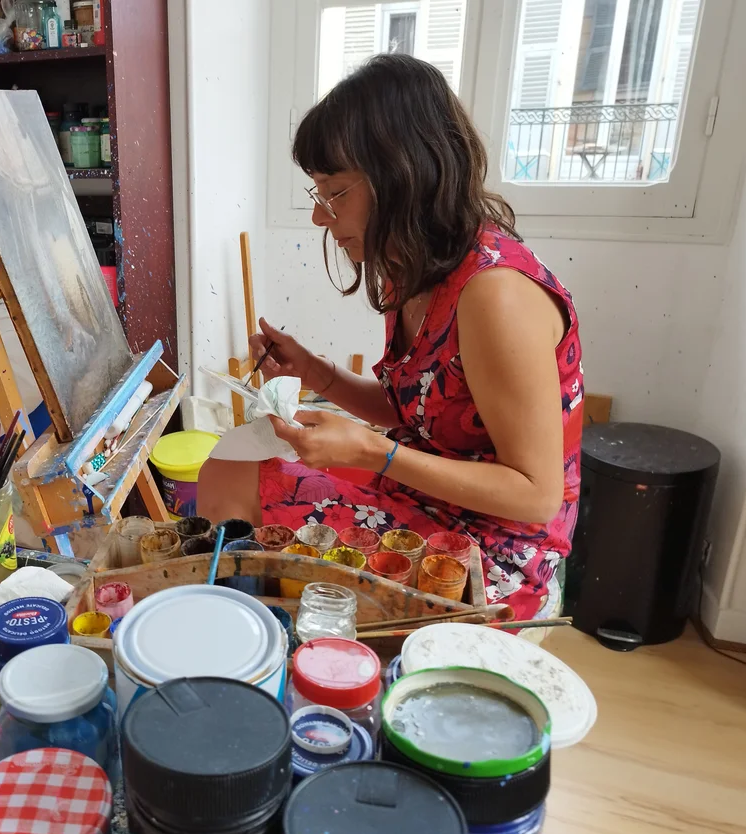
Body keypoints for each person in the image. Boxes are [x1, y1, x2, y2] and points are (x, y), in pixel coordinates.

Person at [197, 55, 584, 621]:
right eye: (317, 191)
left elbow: (535, 494)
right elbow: (423, 407)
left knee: (236, 478)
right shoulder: (417, 267)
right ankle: (260, 631)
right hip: (436, 493)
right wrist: (316, 373)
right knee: (232, 460)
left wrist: (376, 451)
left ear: (404, 176)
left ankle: (256, 642)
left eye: (334, 192)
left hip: (490, 551)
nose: (319, 216)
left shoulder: (496, 294)